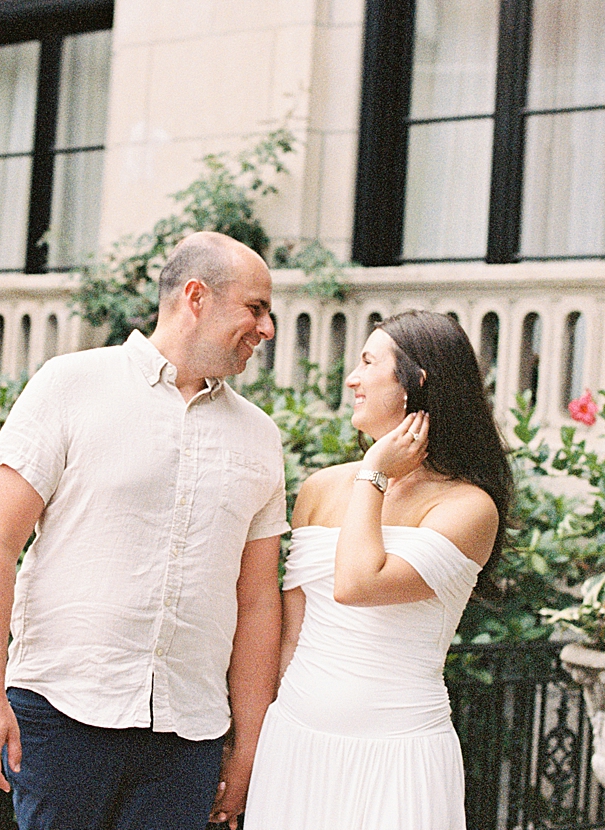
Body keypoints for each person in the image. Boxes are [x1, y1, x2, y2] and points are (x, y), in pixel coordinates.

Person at [0, 231, 288, 830]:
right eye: (256, 307)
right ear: (196, 296)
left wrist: (249, 747)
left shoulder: (260, 436)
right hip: (64, 711)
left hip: (190, 734)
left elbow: (257, 601)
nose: (267, 328)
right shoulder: (69, 385)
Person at [241, 310, 512, 830]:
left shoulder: (468, 507)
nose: (352, 378)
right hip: (296, 744)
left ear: (417, 383)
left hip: (397, 755)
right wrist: (259, 738)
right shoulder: (321, 488)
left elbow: (357, 584)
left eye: (368, 362)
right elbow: (293, 632)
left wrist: (374, 476)